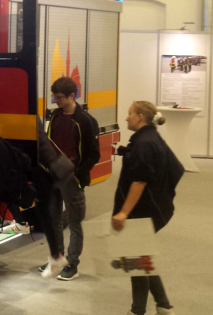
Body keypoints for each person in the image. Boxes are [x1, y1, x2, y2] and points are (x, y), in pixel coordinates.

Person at [114, 101, 176, 315]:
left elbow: (139, 181)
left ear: (140, 116)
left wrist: (123, 212)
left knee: (137, 262)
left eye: (129, 113)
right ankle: (163, 305)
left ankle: (138, 310)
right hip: (153, 208)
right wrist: (124, 152)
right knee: (142, 258)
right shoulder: (149, 138)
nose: (126, 117)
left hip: (142, 211)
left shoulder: (144, 143)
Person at [42, 76, 100, 281]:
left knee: (75, 223)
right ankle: (57, 258)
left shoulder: (85, 121)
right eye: (54, 96)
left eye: (58, 97)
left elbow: (94, 154)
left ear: (71, 96)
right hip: (52, 176)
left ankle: (72, 263)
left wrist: (78, 174)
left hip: (72, 179)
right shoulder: (55, 116)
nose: (55, 100)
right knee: (54, 220)